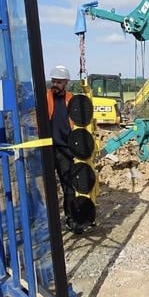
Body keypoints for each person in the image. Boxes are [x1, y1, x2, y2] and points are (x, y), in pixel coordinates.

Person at [46, 65, 86, 234]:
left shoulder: (72, 99)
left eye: (59, 82)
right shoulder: (44, 97)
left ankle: (71, 218)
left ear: (66, 83)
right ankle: (49, 222)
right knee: (47, 188)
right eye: (54, 81)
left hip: (65, 151)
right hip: (46, 149)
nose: (55, 84)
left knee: (68, 187)